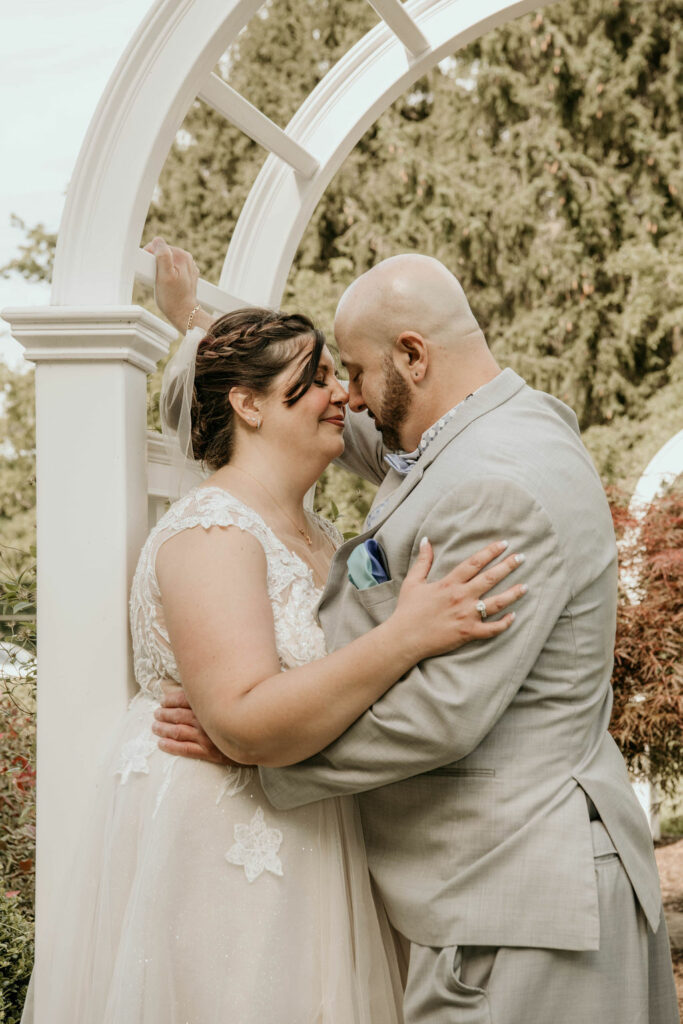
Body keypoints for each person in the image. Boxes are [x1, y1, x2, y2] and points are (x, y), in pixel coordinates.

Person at [153, 244, 679, 1024]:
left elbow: (439, 714)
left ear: (412, 356)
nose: (346, 398)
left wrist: (254, 747)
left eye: (354, 372)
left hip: (515, 902)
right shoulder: (494, 424)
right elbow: (299, 419)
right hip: (503, 890)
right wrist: (197, 327)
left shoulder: (494, 483)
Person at [23, 241, 528, 1024]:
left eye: (336, 376)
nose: (342, 397)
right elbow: (243, 717)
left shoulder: (321, 536)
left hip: (317, 830)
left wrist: (194, 318)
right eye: (317, 379)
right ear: (248, 405)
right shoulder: (214, 534)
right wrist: (406, 633)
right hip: (227, 844)